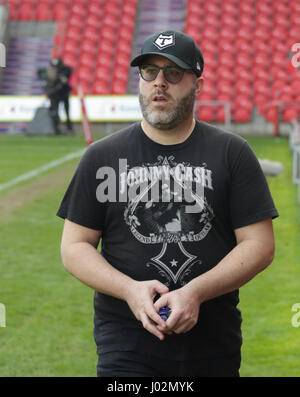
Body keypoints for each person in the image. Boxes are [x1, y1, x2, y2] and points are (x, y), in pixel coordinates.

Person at [57, 30, 278, 377]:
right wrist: (129, 290)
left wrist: (196, 292)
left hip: (212, 344)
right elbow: (74, 247)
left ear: (198, 84)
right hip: (126, 346)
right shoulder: (103, 156)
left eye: (173, 73)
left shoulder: (232, 153)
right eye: (149, 71)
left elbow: (260, 245)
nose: (159, 82)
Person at [44, 57, 73, 134]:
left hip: (63, 93)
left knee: (67, 112)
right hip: (55, 94)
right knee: (55, 112)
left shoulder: (66, 70)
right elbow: (49, 82)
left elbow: (64, 80)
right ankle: (57, 129)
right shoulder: (52, 71)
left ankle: (69, 128)